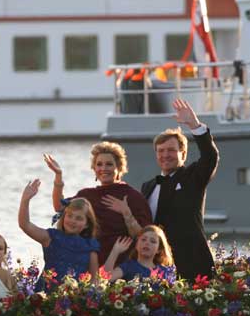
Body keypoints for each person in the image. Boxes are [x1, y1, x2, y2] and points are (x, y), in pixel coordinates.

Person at [141, 99, 219, 281]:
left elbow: (210, 157)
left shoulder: (193, 177)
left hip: (191, 263)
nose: (165, 155)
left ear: (183, 154)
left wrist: (195, 125)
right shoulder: (148, 186)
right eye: (160, 151)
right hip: (157, 267)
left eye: (170, 150)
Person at [44, 142, 151, 267]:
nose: (103, 168)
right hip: (88, 265)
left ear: (119, 168)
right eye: (99, 164)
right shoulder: (87, 195)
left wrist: (127, 214)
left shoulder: (133, 196)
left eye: (109, 164)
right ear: (94, 169)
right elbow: (59, 207)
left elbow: (145, 238)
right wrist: (58, 175)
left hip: (121, 268)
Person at [18, 179, 99, 291]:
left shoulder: (90, 246)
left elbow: (95, 279)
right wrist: (25, 200)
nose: (72, 221)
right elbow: (25, 225)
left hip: (73, 301)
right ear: (64, 216)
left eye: (79, 218)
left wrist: (88, 300)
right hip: (44, 299)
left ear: (86, 224)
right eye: (69, 216)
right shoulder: (51, 237)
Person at [103, 225, 174, 282]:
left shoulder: (164, 272)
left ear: (159, 249)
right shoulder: (128, 266)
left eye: (152, 241)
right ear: (136, 245)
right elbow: (105, 279)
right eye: (143, 239)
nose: (147, 243)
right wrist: (115, 251)